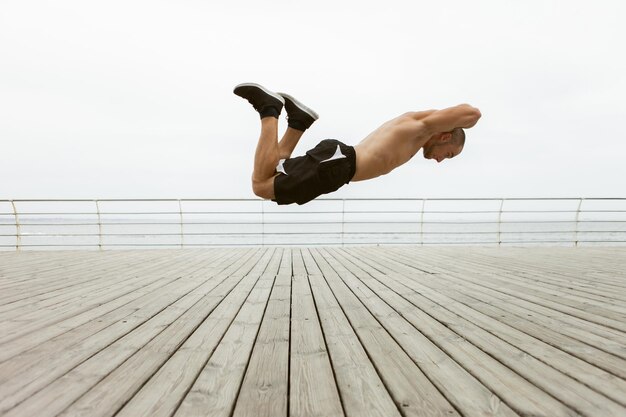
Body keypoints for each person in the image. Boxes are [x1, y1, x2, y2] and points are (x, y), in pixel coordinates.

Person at [234, 82, 481, 205]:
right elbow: (472, 113)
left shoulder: (416, 125)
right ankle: (269, 109)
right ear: (445, 136)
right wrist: (460, 120)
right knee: (261, 186)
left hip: (337, 163)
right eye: (447, 155)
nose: (440, 160)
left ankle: (299, 122)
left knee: (272, 171)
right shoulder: (422, 127)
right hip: (337, 165)